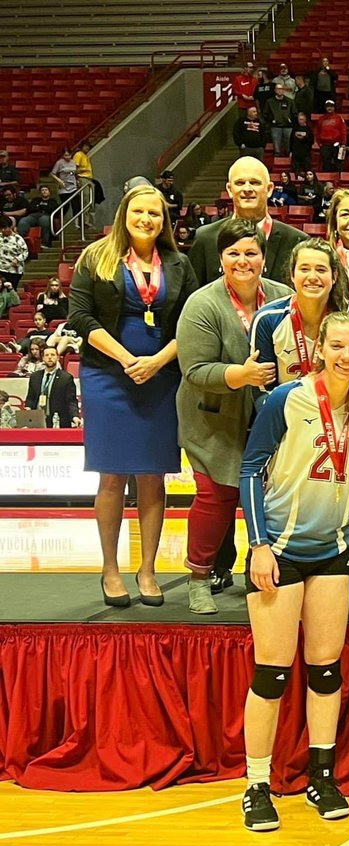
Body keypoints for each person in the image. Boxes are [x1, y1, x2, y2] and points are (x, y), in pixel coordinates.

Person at [238, 311, 349, 832]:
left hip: (335, 551)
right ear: (321, 348)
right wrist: (258, 544)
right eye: (337, 346)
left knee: (325, 668)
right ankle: (255, 784)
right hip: (281, 550)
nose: (346, 355)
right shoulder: (284, 400)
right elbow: (251, 468)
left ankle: (322, 772)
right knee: (272, 670)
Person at [68, 185, 199, 607]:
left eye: (155, 214)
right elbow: (80, 316)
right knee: (111, 475)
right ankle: (109, 569)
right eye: (139, 211)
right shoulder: (96, 257)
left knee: (153, 475)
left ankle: (147, 569)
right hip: (107, 374)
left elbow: (192, 322)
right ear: (125, 213)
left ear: (165, 221)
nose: (147, 219)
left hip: (161, 376)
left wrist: (157, 361)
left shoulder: (179, 263)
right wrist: (128, 359)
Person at [176, 218, 292, 613]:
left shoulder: (283, 296)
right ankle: (198, 578)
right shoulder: (202, 303)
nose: (242, 261)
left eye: (251, 253)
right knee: (216, 496)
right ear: (221, 257)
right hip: (213, 419)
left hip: (271, 419)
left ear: (263, 257)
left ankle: (261, 571)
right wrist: (239, 375)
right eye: (233, 253)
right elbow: (193, 370)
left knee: (274, 497)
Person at [189, 157, 307, 285]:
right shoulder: (205, 238)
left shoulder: (297, 241)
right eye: (239, 183)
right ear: (229, 189)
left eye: (255, 182)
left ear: (269, 189)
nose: (247, 189)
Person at [251, 240, 349, 392]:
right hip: (283, 410)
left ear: (334, 276)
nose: (312, 277)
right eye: (304, 269)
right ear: (292, 275)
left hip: (337, 412)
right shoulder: (267, 319)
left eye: (321, 270)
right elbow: (262, 391)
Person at [24, 346, 78, 427]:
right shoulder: (35, 376)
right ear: (43, 358)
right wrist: (28, 409)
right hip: (38, 420)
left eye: (52, 355)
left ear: (58, 358)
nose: (49, 357)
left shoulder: (66, 378)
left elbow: (71, 401)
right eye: (47, 355)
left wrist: (75, 416)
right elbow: (30, 397)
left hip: (58, 420)